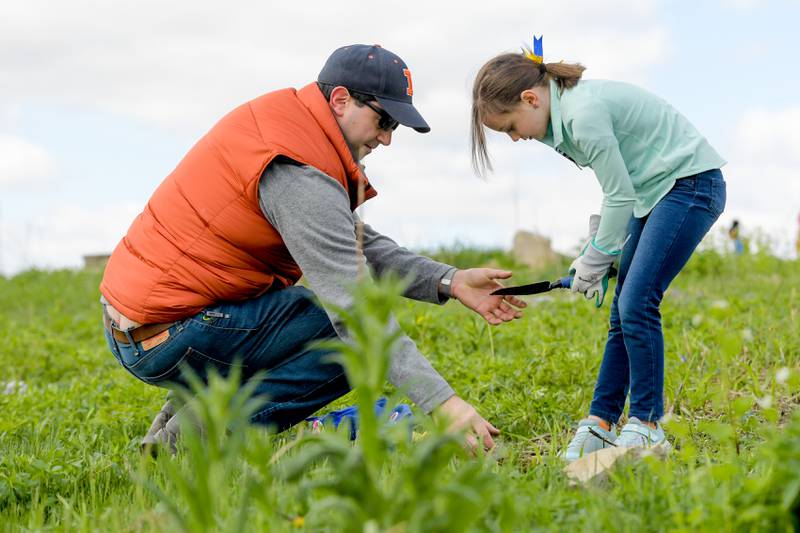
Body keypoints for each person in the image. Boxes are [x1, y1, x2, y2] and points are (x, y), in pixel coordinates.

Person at [100, 44, 527, 453]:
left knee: (299, 314)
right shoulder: (295, 169)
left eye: (394, 127)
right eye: (384, 121)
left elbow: (353, 243)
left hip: (150, 323)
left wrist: (450, 282)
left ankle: (174, 434)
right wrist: (445, 404)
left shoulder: (288, 125)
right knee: (345, 342)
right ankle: (189, 445)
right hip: (166, 332)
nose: (387, 139)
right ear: (341, 100)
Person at [470, 38, 726, 461]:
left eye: (509, 127)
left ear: (530, 99)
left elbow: (619, 195)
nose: (514, 139)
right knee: (622, 311)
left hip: (690, 184)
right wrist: (596, 249)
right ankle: (601, 423)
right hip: (655, 192)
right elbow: (620, 189)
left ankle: (646, 425)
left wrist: (596, 258)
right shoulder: (566, 114)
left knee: (637, 302)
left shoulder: (583, 114)